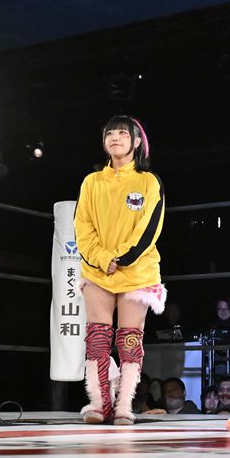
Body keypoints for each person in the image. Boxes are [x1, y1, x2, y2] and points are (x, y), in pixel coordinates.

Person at [74, 116, 166, 425]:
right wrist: (103, 258)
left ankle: (124, 404)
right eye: (110, 133)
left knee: (130, 339)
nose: (115, 138)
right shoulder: (92, 182)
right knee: (97, 339)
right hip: (98, 270)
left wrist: (122, 257)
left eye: (123, 134)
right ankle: (100, 403)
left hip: (137, 270)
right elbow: (82, 226)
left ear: (136, 142)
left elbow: (150, 227)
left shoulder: (148, 181)